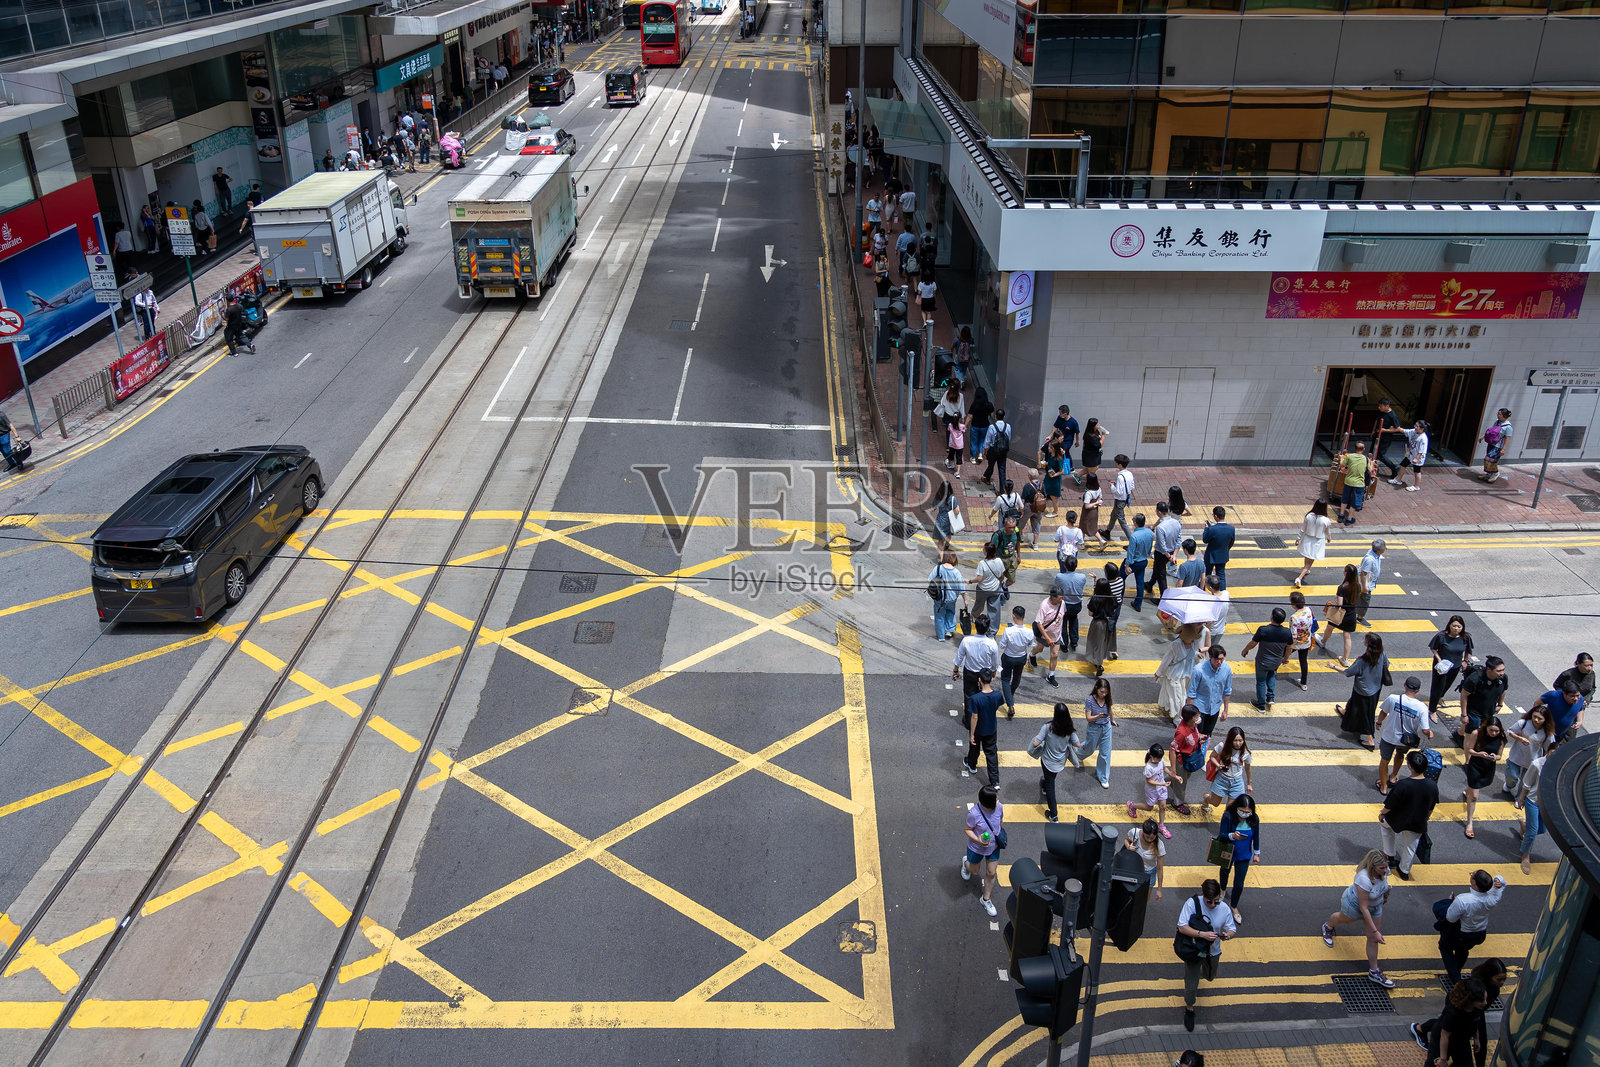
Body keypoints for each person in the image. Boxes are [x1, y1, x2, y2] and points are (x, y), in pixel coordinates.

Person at [1321, 850, 1395, 988]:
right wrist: (1375, 931)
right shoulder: (1363, 879)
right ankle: (1328, 926)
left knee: (1373, 939)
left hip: (1376, 906)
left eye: (1386, 866)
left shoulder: (1384, 871)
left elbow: (1384, 887)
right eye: (1382, 868)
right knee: (1343, 919)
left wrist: (1385, 897)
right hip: (1355, 905)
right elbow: (1363, 908)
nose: (1386, 870)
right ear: (1373, 867)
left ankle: (1374, 971)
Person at [1175, 878, 1236, 1033]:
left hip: (1213, 951)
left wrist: (1227, 935)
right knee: (1191, 984)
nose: (1213, 905)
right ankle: (1189, 1008)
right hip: (1193, 950)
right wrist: (1202, 934)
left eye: (1217, 901)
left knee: (1210, 976)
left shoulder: (1224, 909)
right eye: (1210, 902)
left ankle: (1194, 975)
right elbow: (1182, 927)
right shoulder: (1192, 904)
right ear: (1202, 894)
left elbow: (1232, 929)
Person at [1414, 960, 1506, 1055]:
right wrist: (1443, 1058)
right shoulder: (1474, 984)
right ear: (1489, 975)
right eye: (1499, 979)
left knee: (1449, 1025)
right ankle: (1420, 1028)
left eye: (1504, 979)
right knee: (1445, 1025)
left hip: (1473, 1010)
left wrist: (1476, 1036)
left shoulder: (1494, 989)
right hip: (1459, 1005)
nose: (1502, 983)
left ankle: (1420, 1028)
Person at [1438, 870, 1505, 985]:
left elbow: (1450, 918)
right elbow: (1501, 886)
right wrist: (1499, 880)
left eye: (1472, 875)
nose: (1471, 875)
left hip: (1463, 933)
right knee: (1463, 950)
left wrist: (1449, 902)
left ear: (1474, 883)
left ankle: (1455, 978)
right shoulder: (1492, 899)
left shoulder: (1463, 900)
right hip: (1479, 934)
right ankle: (1456, 970)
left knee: (1445, 947)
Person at [1381, 749, 1438, 880]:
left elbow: (1389, 804)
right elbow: (1431, 807)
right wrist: (1426, 818)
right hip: (1418, 822)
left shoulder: (1403, 784)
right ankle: (1404, 871)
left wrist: (1382, 814)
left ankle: (1389, 854)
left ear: (1410, 766)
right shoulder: (1432, 785)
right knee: (1410, 847)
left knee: (1385, 827)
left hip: (1397, 819)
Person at [1375, 677, 1431, 793]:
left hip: (1389, 737)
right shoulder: (1422, 708)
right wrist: (1430, 733)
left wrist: (1379, 722)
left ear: (1404, 684)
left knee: (1384, 760)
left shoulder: (1393, 699)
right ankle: (1393, 776)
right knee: (1400, 755)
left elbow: (1383, 712)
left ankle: (1384, 787)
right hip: (1406, 740)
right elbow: (1425, 730)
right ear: (1418, 690)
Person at [1028, 701, 1080, 823]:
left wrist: (1037, 740)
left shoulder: (1048, 727)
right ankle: (1045, 785)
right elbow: (1077, 743)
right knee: (1050, 778)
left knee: (1051, 788)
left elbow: (1036, 742)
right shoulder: (1069, 729)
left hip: (1047, 761)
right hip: (1060, 763)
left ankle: (1054, 815)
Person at [1337, 631, 1390, 750]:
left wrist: (1333, 666)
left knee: (1366, 715)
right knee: (1354, 703)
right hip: (1375, 689)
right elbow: (1387, 665)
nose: (1363, 640)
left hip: (1363, 691)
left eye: (1365, 639)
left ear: (1369, 645)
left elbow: (1347, 672)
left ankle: (1370, 740)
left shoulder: (1362, 660)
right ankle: (1345, 712)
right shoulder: (1382, 654)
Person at [1422, 976, 1490, 1067]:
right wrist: (1443, 1059)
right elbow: (1444, 1035)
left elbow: (1475, 1022)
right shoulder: (1453, 1013)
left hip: (1462, 1041)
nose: (1485, 1003)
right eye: (1482, 1000)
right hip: (1442, 1042)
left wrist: (1476, 1038)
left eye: (1485, 999)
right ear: (1470, 1000)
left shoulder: (1478, 1008)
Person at [1215, 794, 1261, 922]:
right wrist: (1232, 836)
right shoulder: (1228, 816)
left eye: (1248, 812)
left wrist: (1256, 853)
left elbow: (1256, 836)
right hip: (1228, 851)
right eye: (1242, 811)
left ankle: (1234, 905)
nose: (1245, 814)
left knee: (1239, 884)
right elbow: (1221, 836)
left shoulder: (1254, 819)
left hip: (1244, 854)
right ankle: (1222, 890)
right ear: (1237, 808)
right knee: (1224, 872)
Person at [961, 784, 1005, 917]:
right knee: (974, 871)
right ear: (988, 803)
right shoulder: (974, 814)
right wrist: (979, 840)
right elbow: (967, 830)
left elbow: (1000, 821)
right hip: (976, 848)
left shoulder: (1000, 807)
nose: (998, 802)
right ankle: (966, 863)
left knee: (991, 873)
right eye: (996, 800)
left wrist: (997, 835)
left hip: (993, 847)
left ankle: (986, 899)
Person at [1461, 715, 1505, 839]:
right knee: (1474, 797)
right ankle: (1469, 823)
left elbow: (1500, 756)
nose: (1494, 733)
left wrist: (1493, 757)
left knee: (1474, 788)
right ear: (1486, 728)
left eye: (1496, 731)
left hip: (1488, 767)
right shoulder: (1477, 733)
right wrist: (1479, 754)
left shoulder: (1501, 738)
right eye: (1491, 730)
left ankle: (1468, 789)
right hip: (1475, 766)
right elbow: (1469, 749)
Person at [1241, 607, 1292, 710]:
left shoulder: (1263, 630)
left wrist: (1245, 650)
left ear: (1271, 617)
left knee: (1260, 681)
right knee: (1272, 674)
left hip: (1262, 661)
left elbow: (1253, 643)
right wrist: (1285, 658)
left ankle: (1261, 705)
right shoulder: (1287, 632)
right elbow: (1290, 647)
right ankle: (1270, 697)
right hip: (1276, 661)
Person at [1428, 616, 1475, 722]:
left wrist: (1465, 661)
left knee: (1447, 684)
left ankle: (1440, 697)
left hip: (1455, 666)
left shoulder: (1466, 637)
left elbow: (1468, 650)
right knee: (1437, 687)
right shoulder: (1441, 636)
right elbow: (1433, 648)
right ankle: (1432, 710)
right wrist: (1439, 660)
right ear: (1449, 625)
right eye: (1454, 626)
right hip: (1442, 667)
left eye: (1459, 626)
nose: (1456, 628)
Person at [1155, 625, 1204, 723]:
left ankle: (1180, 714)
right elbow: (1166, 659)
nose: (1192, 641)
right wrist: (1158, 673)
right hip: (1174, 675)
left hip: (1186, 674)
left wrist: (1197, 655)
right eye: (1190, 638)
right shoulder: (1176, 645)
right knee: (1177, 697)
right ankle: (1178, 717)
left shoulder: (1194, 643)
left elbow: (1191, 654)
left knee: (1183, 696)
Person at [1073, 675, 1116, 787]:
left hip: (1106, 727)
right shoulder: (1090, 700)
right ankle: (1077, 753)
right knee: (1090, 748)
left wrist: (1112, 720)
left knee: (1105, 753)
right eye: (1102, 692)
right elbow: (1088, 718)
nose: (1104, 694)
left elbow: (1110, 710)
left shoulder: (1107, 698)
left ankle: (1103, 777)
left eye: (1106, 692)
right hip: (1094, 727)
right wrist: (1098, 716)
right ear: (1096, 688)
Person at [964, 669, 1003, 787]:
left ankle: (972, 765)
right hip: (991, 728)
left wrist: (972, 733)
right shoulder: (997, 695)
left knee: (974, 748)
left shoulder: (976, 698)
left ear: (979, 680)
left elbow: (974, 717)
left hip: (979, 729)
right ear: (991, 679)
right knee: (991, 754)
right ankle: (995, 781)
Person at [1317, 563, 1362, 667]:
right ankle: (1345, 659)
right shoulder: (1358, 586)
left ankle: (1323, 641)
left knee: (1330, 627)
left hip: (1341, 614)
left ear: (1346, 573)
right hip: (1351, 614)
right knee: (1347, 636)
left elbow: (1340, 604)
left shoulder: (1342, 587)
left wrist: (1337, 597)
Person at [1201, 725, 1251, 817]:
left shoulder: (1245, 752)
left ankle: (1226, 827)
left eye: (1240, 740)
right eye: (1235, 740)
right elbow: (1212, 756)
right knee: (1215, 803)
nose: (1238, 743)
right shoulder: (1222, 746)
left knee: (1230, 809)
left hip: (1236, 782)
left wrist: (1249, 783)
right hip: (1222, 779)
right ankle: (1206, 798)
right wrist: (1218, 765)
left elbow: (1248, 768)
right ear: (1230, 739)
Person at [952, 612, 1000, 708]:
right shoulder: (992, 643)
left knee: (969, 696)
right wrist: (993, 673)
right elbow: (995, 663)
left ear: (975, 626)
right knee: (983, 696)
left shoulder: (966, 640)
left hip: (969, 672)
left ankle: (969, 719)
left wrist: (955, 670)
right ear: (988, 628)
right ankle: (981, 718)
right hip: (985, 674)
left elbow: (959, 658)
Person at [1504, 704, 1552, 798]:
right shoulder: (1523, 723)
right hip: (1516, 755)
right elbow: (1510, 732)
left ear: (1546, 720)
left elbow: (1548, 748)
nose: (1536, 720)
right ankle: (1509, 785)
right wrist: (1520, 738)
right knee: (1512, 776)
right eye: (1534, 717)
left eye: (1540, 718)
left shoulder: (1547, 733)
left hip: (1532, 759)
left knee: (1526, 782)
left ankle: (1519, 798)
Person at [1457, 657, 1509, 741]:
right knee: (1473, 729)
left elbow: (1503, 691)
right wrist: (1464, 715)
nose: (1502, 673)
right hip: (1474, 710)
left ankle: (1459, 733)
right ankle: (1468, 746)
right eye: (1498, 671)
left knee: (1479, 726)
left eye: (1503, 670)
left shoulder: (1503, 678)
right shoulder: (1475, 679)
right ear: (1489, 669)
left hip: (1489, 709)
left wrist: (1500, 704)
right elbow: (1464, 695)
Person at [1127, 742, 1172, 837]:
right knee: (1149, 808)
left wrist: (1174, 775)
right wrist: (1162, 783)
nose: (1160, 760)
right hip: (1152, 790)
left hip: (1162, 788)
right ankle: (1133, 805)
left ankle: (1161, 826)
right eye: (1158, 758)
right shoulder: (1148, 767)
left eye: (1161, 758)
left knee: (1163, 807)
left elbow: (1165, 768)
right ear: (1152, 756)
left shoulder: (1160, 761)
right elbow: (1149, 781)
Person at [1188, 645, 1232, 740]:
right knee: (1195, 735)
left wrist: (1225, 710)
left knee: (1207, 735)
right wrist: (1190, 715)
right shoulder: (1199, 670)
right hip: (1199, 708)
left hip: (1214, 709)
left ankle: (1202, 754)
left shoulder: (1227, 669)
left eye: (1221, 659)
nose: (1219, 662)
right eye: (1216, 659)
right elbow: (1191, 693)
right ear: (1210, 657)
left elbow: (1227, 691)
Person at [1167, 702, 1204, 815]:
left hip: (1190, 758)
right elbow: (1172, 750)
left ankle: (1165, 781)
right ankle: (1177, 803)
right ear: (1190, 718)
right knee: (1182, 783)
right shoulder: (1182, 733)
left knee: (1182, 779)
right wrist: (1173, 770)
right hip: (1182, 761)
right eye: (1196, 716)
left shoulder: (1193, 725)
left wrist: (1199, 739)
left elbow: (1193, 737)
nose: (1198, 717)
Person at [1028, 590, 1067, 689]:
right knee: (1040, 649)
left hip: (1056, 635)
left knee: (1055, 655)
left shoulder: (1062, 603)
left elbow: (1062, 617)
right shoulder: (1044, 605)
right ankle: (1032, 654)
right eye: (1060, 598)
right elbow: (1039, 623)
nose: (1062, 600)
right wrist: (1047, 638)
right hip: (1044, 635)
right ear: (1053, 598)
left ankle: (1051, 675)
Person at [1516, 752, 1547, 874]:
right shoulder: (1537, 764)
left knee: (1542, 829)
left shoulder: (1558, 766)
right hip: (1533, 801)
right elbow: (1527, 783)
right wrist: (1521, 799)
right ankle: (1525, 856)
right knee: (1532, 832)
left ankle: (1524, 825)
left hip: (1546, 804)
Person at [1122, 817, 1167, 898]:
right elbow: (1126, 840)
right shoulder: (1135, 832)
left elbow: (1160, 868)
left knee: (1144, 898)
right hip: (1133, 869)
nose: (1149, 840)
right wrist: (1128, 846)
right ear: (1142, 831)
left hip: (1149, 873)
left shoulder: (1159, 845)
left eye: (1152, 838)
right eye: (1147, 837)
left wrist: (1159, 889)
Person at [1291, 499, 1332, 587]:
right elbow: (1327, 532)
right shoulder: (1326, 520)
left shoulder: (1309, 516)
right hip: (1317, 541)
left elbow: (1303, 529)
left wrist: (1298, 538)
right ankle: (1299, 578)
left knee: (1307, 556)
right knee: (1310, 561)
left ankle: (1306, 570)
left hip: (1307, 539)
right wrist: (1329, 538)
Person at [1532, 678, 1586, 744]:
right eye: (1572, 696)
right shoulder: (1553, 696)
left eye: (1577, 695)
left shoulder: (1580, 699)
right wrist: (1537, 718)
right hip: (1546, 731)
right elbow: (1537, 703)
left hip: (1561, 733)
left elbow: (1581, 709)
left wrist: (1580, 721)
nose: (1576, 699)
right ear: (1564, 693)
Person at [1051, 552, 1087, 651]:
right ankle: (1074, 641)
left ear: (1065, 565)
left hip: (1064, 604)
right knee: (1074, 620)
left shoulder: (1059, 577)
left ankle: (1064, 644)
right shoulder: (1082, 577)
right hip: (1076, 604)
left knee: (1062, 623)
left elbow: (1056, 584)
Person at [1149, 500, 1183, 597]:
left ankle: (1163, 598)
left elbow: (1162, 546)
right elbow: (1179, 540)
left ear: (1159, 512)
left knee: (1161, 575)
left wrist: (1169, 557)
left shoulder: (1160, 528)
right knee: (1157, 569)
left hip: (1162, 554)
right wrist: (1174, 556)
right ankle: (1149, 584)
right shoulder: (1177, 522)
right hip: (1172, 552)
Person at [928, 550, 963, 641]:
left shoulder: (938, 568)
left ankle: (940, 636)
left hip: (940, 598)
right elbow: (962, 587)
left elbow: (930, 580)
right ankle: (949, 630)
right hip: (952, 598)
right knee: (950, 613)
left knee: (939, 615)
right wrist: (965, 600)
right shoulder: (956, 572)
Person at [1083, 579, 1115, 679]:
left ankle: (1097, 663)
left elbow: (1090, 613)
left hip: (1097, 623)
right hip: (1107, 623)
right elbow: (1113, 610)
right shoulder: (1112, 598)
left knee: (1094, 643)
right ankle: (1098, 662)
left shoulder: (1095, 599)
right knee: (1102, 643)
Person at [1391, 419, 1431, 492]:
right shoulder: (1414, 431)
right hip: (1410, 454)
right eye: (1415, 425)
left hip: (1418, 457)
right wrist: (1396, 428)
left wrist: (1416, 458)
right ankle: (1398, 480)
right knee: (1402, 465)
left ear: (1422, 428)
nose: (1415, 427)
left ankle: (1416, 486)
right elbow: (1404, 431)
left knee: (1417, 471)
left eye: (1417, 426)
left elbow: (1422, 451)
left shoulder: (1423, 438)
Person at [970, 543, 1006, 623]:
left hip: (982, 589)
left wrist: (970, 581)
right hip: (995, 589)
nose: (982, 550)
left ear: (986, 552)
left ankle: (974, 616)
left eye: (984, 549)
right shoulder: (999, 561)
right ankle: (992, 631)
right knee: (994, 609)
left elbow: (979, 579)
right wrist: (999, 582)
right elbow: (1002, 574)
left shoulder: (982, 563)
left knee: (979, 605)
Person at [1336, 441, 1370, 526]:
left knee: (1345, 499)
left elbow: (1342, 465)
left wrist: (1340, 458)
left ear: (1355, 448)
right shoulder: (1366, 459)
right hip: (1359, 484)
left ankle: (1341, 515)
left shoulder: (1349, 456)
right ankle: (1349, 519)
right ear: (1364, 449)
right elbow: (1369, 470)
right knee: (1354, 502)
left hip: (1348, 481)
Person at [1201, 507, 1235, 590]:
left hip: (1210, 556)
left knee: (1207, 575)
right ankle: (1222, 594)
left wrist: (1206, 529)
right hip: (1223, 555)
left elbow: (1205, 540)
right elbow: (1231, 542)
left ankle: (1203, 592)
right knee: (1221, 576)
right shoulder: (1231, 529)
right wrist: (1225, 549)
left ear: (1216, 516)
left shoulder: (1212, 529)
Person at [1125, 513, 1153, 611]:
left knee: (1121, 577)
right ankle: (1138, 604)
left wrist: (1127, 565)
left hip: (1134, 562)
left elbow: (1130, 553)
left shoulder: (1134, 536)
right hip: (1143, 561)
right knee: (1140, 583)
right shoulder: (1150, 532)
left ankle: (1117, 598)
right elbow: (1150, 547)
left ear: (1135, 523)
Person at [1371, 397, 1404, 481]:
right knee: (1372, 453)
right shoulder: (1381, 412)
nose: (1379, 408)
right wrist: (1373, 431)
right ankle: (1372, 469)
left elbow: (1398, 428)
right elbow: (1376, 420)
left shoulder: (1392, 415)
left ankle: (1394, 468)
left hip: (1385, 438)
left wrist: (1384, 430)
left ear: (1386, 406)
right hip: (1376, 435)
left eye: (1381, 406)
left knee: (1380, 455)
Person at [1288, 591, 1315, 692]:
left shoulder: (1294, 617)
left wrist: (1290, 646)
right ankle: (1304, 682)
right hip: (1306, 641)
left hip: (1296, 643)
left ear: (1294, 604)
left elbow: (1293, 634)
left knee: (1282, 654)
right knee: (1303, 661)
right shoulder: (1309, 609)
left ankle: (1273, 670)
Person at [1355, 538, 1385, 626]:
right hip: (1366, 584)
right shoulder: (1370, 559)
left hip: (1370, 582)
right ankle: (1359, 618)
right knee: (1365, 601)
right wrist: (1364, 587)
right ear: (1379, 550)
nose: (1385, 549)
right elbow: (1363, 574)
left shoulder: (1375, 554)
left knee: (1358, 599)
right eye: (1384, 548)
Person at [1106, 454, 1135, 543]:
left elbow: (1119, 492)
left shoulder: (1120, 477)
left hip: (1120, 500)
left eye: (1116, 463)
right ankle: (1107, 531)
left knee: (1122, 521)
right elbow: (1132, 486)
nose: (1115, 464)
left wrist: (1112, 486)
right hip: (1126, 499)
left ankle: (1132, 540)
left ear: (1120, 465)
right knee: (1113, 515)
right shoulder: (1129, 473)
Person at [981, 408, 1012, 486]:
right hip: (1003, 450)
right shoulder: (1008, 426)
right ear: (1004, 416)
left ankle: (987, 478)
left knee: (991, 464)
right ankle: (1002, 490)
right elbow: (1009, 438)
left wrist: (984, 449)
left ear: (995, 416)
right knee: (1002, 469)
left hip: (993, 450)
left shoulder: (992, 427)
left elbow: (987, 440)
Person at [1481, 408, 1513, 483]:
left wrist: (1503, 449)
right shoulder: (1497, 422)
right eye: (1498, 413)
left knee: (1489, 459)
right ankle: (1489, 474)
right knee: (1489, 460)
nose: (1498, 415)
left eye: (1499, 414)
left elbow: (1508, 438)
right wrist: (1483, 437)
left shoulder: (1508, 427)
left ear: (1504, 415)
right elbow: (1492, 431)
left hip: (1498, 446)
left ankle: (1495, 473)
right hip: (1491, 443)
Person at [965, 387, 994, 465]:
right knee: (982, 440)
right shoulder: (989, 404)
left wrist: (965, 425)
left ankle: (973, 457)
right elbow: (992, 415)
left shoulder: (974, 404)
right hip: (985, 426)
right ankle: (980, 454)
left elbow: (969, 416)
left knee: (974, 442)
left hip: (975, 426)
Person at [1054, 404, 1079, 478]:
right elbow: (1055, 426)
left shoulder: (1073, 422)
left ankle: (1067, 467)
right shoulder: (1060, 418)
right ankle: (1069, 467)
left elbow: (1077, 432)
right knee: (1065, 453)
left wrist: (1077, 441)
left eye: (1060, 413)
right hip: (1060, 439)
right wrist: (1050, 435)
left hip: (1068, 441)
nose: (1059, 414)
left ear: (1065, 413)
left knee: (1064, 451)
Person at [932, 480, 960, 547]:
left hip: (940, 520)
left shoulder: (938, 497)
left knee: (940, 540)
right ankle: (947, 546)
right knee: (949, 534)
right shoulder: (953, 499)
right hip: (949, 521)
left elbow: (933, 508)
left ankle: (941, 556)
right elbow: (956, 512)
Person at [1078, 417, 1106, 486]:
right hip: (1090, 456)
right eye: (1097, 424)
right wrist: (1103, 435)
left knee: (1095, 468)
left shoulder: (1095, 432)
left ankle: (1077, 475)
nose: (1099, 425)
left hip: (1095, 454)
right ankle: (1089, 486)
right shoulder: (1090, 436)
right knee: (1091, 473)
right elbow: (1100, 444)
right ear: (1093, 426)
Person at [1080, 473, 1104, 551]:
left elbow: (1086, 506)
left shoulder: (1089, 493)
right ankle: (1102, 541)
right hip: (1095, 512)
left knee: (1082, 527)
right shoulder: (1099, 489)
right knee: (1093, 527)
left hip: (1087, 513)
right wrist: (1097, 503)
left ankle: (1081, 544)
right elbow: (1100, 499)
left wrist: (1095, 503)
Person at [1039, 444, 1064, 518]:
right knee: (1046, 492)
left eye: (1050, 447)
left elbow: (1062, 471)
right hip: (1048, 477)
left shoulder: (1058, 458)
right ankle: (1042, 505)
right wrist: (1046, 464)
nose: (1048, 448)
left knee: (1054, 497)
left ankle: (1055, 512)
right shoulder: (1051, 455)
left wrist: (1054, 475)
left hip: (1054, 480)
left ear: (1053, 448)